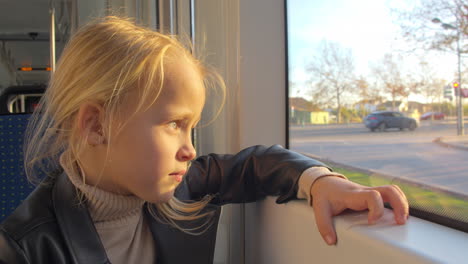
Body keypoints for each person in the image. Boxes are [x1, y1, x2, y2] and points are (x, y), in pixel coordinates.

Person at [0, 17, 408, 264]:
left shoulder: (186, 184)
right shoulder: (27, 248)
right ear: (96, 126)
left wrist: (322, 182)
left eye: (191, 127)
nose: (190, 148)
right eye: (174, 124)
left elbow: (257, 164)